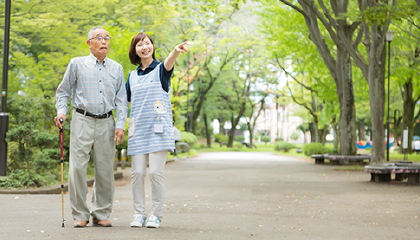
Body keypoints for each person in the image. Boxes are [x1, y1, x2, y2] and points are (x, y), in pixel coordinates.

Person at [54, 26, 127, 228]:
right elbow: (63, 92)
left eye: (106, 38)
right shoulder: (76, 64)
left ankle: (101, 212)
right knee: (77, 168)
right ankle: (80, 213)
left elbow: (121, 100)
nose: (104, 41)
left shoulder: (117, 68)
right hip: (82, 120)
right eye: (99, 38)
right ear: (89, 43)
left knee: (105, 169)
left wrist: (120, 125)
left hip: (107, 122)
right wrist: (62, 112)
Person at [126, 32, 188, 228]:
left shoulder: (161, 69)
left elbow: (169, 62)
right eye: (139, 45)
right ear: (135, 50)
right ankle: (138, 214)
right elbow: (125, 101)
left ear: (152, 46)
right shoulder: (132, 76)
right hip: (138, 131)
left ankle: (156, 214)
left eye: (147, 43)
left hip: (158, 130)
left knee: (155, 173)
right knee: (136, 173)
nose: (144, 47)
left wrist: (175, 52)